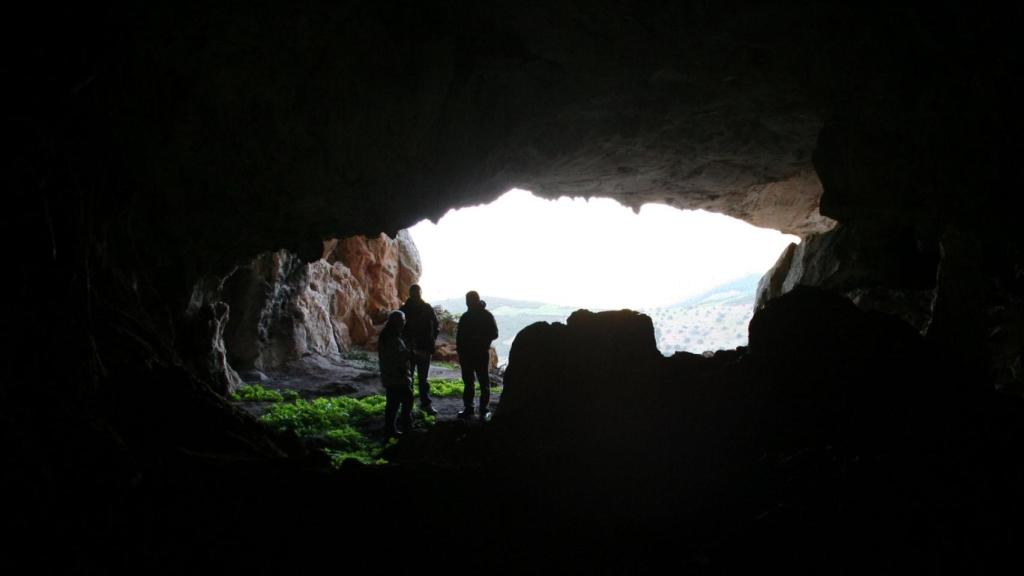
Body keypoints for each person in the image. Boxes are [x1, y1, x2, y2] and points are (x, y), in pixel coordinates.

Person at [455, 291, 498, 420]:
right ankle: (475, 409)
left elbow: (494, 333)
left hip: (477, 353)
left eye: (468, 300)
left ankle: (479, 409)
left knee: (480, 382)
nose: (467, 303)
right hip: (471, 354)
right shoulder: (474, 316)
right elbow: (459, 337)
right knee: (474, 382)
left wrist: (479, 340)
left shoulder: (482, 316)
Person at [399, 284, 440, 415]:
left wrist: (430, 341)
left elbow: (436, 326)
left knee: (423, 379)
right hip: (409, 350)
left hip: (424, 349)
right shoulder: (404, 309)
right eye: (415, 292)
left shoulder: (427, 308)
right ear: (411, 294)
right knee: (408, 379)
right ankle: (408, 406)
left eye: (418, 292)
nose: (417, 295)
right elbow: (399, 329)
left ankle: (425, 404)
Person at [378, 310, 413, 435]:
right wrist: (411, 354)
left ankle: (391, 428)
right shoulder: (392, 337)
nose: (404, 323)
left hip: (391, 375)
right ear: (397, 322)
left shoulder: (389, 334)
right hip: (397, 376)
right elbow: (398, 356)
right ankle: (405, 426)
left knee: (393, 403)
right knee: (406, 399)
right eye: (402, 321)